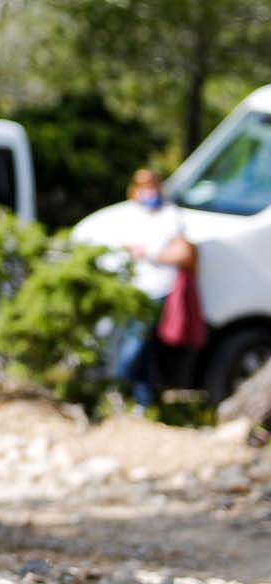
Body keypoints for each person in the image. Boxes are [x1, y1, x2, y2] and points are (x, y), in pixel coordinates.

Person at [113, 168, 197, 412]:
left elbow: (183, 253)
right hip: (133, 289)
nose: (148, 192)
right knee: (143, 348)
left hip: (159, 289)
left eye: (152, 186)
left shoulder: (170, 215)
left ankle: (116, 385)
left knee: (136, 344)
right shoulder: (132, 214)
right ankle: (144, 401)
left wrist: (151, 253)